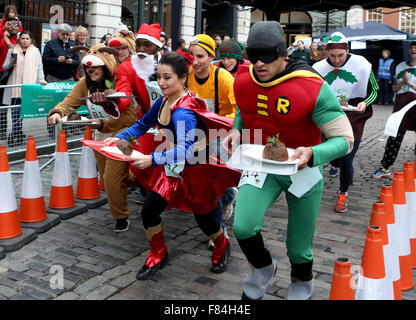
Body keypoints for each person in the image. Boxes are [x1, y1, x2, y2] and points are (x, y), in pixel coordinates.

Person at [221, 21, 354, 300]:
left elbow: (345, 139)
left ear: (283, 54)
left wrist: (313, 153)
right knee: (243, 227)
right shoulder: (242, 79)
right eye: (253, 55)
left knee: (298, 246)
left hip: (301, 168)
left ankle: (302, 283)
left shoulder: (312, 86)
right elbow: (245, 110)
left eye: (267, 55)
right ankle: (262, 269)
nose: (259, 63)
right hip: (261, 164)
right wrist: (236, 128)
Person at [104, 51, 241, 280]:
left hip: (195, 171)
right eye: (158, 77)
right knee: (149, 211)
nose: (161, 82)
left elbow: (185, 150)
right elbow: (141, 124)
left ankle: (222, 245)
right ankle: (158, 253)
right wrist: (122, 138)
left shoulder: (184, 111)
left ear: (182, 78)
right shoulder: (162, 102)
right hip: (171, 169)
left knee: (205, 219)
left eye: (167, 77)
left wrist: (152, 159)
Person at [47, 43, 139, 232]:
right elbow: (69, 103)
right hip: (100, 135)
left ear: (105, 66)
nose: (91, 70)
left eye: (96, 67)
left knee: (112, 178)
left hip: (123, 135)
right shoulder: (84, 84)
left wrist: (105, 123)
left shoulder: (118, 82)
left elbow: (129, 117)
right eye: (88, 67)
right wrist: (57, 112)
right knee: (108, 180)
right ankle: (142, 178)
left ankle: (121, 216)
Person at [313, 32, 379, 213]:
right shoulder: (318, 67)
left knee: (347, 156)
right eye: (332, 55)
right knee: (333, 157)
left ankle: (343, 194)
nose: (336, 60)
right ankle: (338, 166)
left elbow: (375, 89)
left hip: (354, 115)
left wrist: (364, 103)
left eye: (340, 55)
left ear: (347, 50)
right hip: (329, 114)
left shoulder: (363, 64)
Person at [188, 33, 238, 248]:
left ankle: (219, 231)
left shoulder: (224, 78)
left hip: (222, 134)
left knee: (212, 183)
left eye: (200, 56)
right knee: (200, 180)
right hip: (196, 134)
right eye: (192, 56)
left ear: (211, 57)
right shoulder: (188, 75)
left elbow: (239, 111)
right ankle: (230, 195)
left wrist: (217, 120)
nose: (195, 61)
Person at [371, 41, 416, 179]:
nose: (413, 50)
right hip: (401, 104)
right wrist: (403, 82)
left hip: (415, 103)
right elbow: (394, 89)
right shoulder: (400, 66)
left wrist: (410, 84)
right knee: (394, 135)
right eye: (412, 48)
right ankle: (385, 167)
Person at [2, 31, 46, 147]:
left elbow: (39, 67)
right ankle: (14, 133)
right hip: (15, 87)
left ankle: (17, 132)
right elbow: (4, 66)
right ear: (19, 39)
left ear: (31, 40)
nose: (25, 40)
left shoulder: (35, 51)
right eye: (23, 38)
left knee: (23, 111)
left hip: (29, 86)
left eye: (27, 38)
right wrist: (11, 63)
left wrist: (41, 79)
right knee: (16, 111)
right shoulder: (12, 50)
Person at [0, 17, 20, 141]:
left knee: (14, 103)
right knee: (2, 104)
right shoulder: (2, 37)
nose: (13, 27)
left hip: (15, 74)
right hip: (2, 73)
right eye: (10, 24)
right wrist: (4, 35)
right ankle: (2, 130)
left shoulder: (18, 39)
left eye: (15, 25)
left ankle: (16, 131)